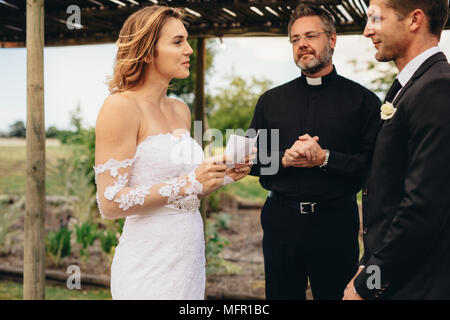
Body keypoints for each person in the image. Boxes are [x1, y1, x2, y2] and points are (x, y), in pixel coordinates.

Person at [93, 5, 252, 300]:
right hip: (147, 262)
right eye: (178, 42)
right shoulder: (121, 107)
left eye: (187, 41)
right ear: (147, 51)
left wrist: (222, 177)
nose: (189, 50)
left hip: (188, 259)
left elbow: (183, 193)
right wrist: (190, 182)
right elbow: (110, 203)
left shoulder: (180, 109)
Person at [247, 4, 381, 300]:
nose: (302, 44)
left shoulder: (363, 101)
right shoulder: (270, 101)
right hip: (281, 221)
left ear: (332, 39)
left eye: (310, 35)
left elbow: (373, 168)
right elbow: (251, 162)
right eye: (295, 39)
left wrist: (326, 158)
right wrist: (283, 158)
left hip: (336, 223)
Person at [343, 0, 450, 300]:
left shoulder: (437, 88)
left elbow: (422, 209)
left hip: (419, 283)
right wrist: (367, 265)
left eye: (376, 19)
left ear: (415, 20)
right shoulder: (412, 85)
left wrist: (369, 285)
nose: (367, 31)